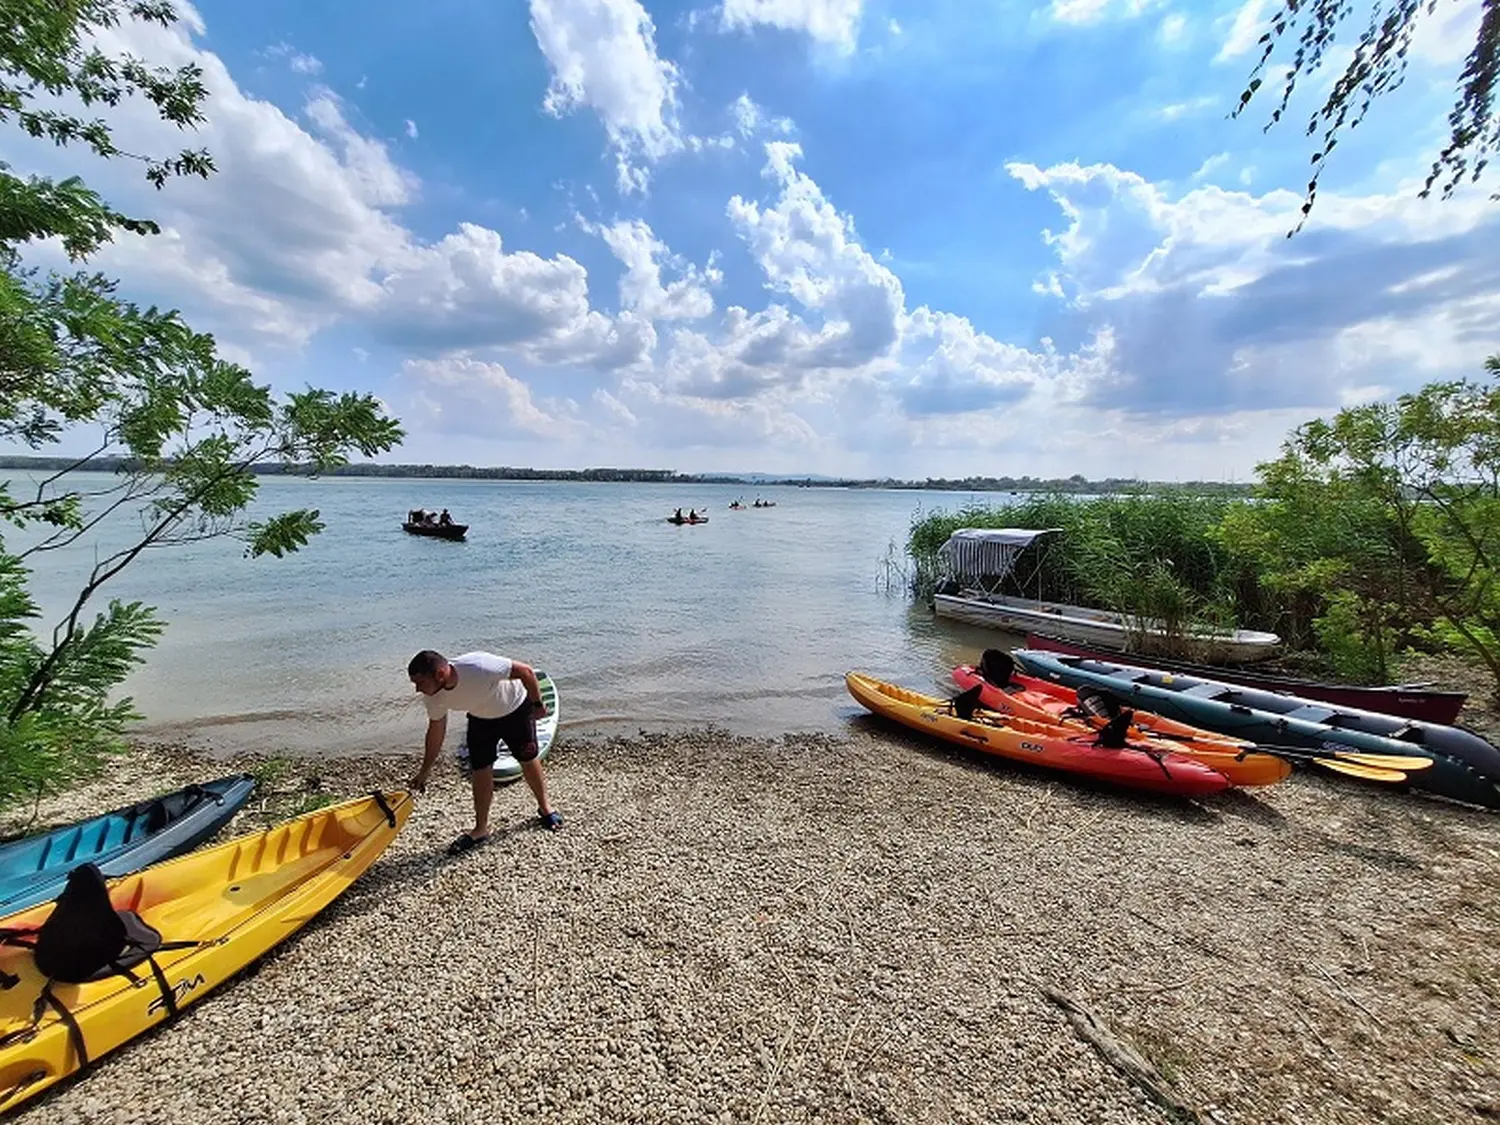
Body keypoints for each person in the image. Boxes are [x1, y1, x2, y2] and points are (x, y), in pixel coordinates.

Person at [407, 649, 562, 853]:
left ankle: (545, 807)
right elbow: (436, 731)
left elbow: (526, 671)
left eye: (420, 682)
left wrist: (537, 705)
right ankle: (480, 829)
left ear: (440, 674)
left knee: (528, 759)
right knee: (480, 770)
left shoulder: (478, 667)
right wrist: (425, 770)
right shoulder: (433, 697)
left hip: (515, 710)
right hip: (481, 720)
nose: (418, 689)